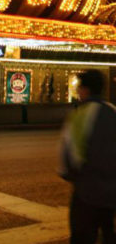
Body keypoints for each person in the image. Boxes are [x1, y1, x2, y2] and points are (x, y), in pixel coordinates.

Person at [60, 69, 116, 244]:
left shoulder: (79, 116)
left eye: (79, 88)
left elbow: (69, 160)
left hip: (87, 194)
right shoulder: (113, 111)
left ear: (86, 89)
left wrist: (72, 176)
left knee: (82, 237)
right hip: (112, 195)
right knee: (109, 234)